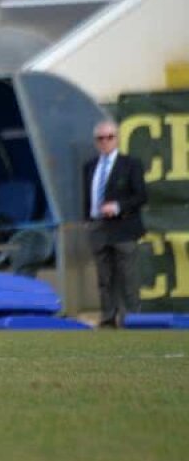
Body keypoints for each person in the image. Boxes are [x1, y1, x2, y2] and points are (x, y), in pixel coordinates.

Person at [83, 120, 147, 328]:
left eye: (109, 137)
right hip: (98, 228)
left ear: (117, 139)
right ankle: (108, 317)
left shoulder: (131, 164)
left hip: (123, 228)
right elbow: (87, 197)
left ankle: (132, 318)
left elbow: (141, 196)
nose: (105, 142)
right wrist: (87, 220)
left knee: (128, 277)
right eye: (100, 138)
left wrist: (118, 206)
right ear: (95, 142)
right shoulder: (90, 166)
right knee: (104, 277)